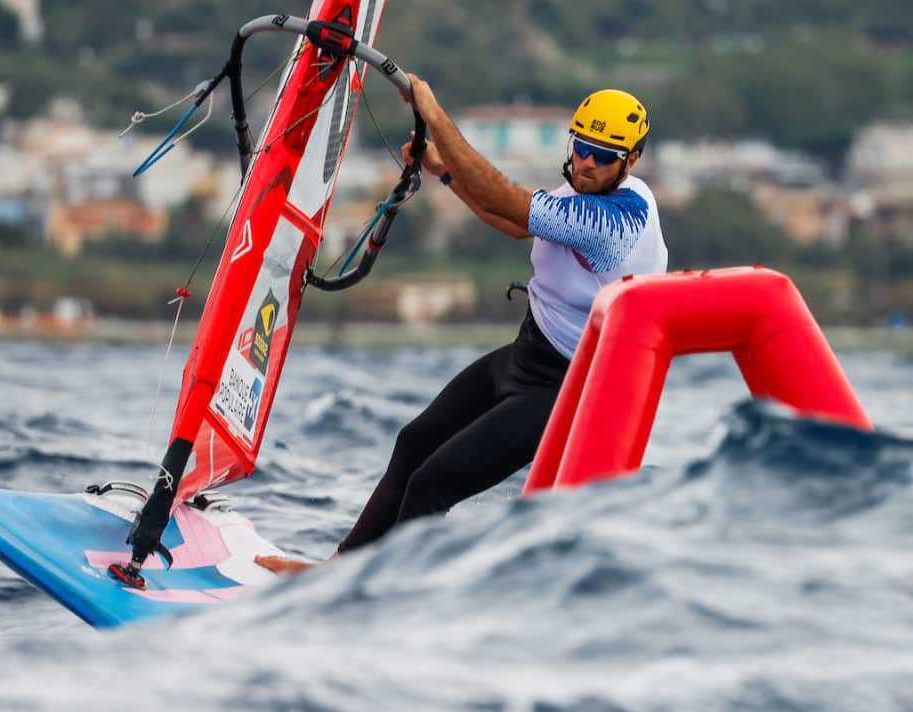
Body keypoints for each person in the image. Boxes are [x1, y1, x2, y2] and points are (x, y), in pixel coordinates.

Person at [256, 76, 667, 575]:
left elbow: (506, 197)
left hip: (564, 388)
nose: (586, 163)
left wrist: (434, 115)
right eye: (581, 147)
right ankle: (337, 573)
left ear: (631, 161)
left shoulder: (616, 222)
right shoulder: (583, 185)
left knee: (433, 483)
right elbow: (513, 222)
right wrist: (445, 172)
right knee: (413, 444)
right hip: (527, 354)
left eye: (603, 156)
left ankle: (388, 595)